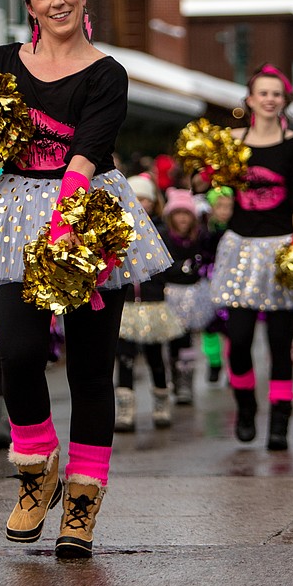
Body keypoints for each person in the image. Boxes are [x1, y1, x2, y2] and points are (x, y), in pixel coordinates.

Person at [0, 0, 170, 559]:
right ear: (30, 5)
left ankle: (83, 503)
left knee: (92, 371)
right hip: (16, 217)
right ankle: (38, 470)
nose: (56, 0)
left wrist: (66, 225)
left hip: (87, 212)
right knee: (18, 354)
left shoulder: (106, 73)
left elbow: (87, 153)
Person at [202, 63, 293, 453]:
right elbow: (212, 186)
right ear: (250, 99)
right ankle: (246, 407)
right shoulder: (231, 140)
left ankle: (280, 420)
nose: (270, 99)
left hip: (281, 246)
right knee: (240, 338)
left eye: (276, 94)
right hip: (241, 247)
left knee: (281, 343)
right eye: (263, 93)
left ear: (284, 101)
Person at [114, 175, 183, 432]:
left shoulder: (161, 232)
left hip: (154, 304)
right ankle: (125, 409)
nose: (141, 203)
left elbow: (170, 264)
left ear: (154, 203)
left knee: (156, 357)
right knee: (125, 357)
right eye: (136, 198)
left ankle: (161, 402)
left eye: (146, 199)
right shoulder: (115, 227)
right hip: (127, 306)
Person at [159, 187, 215, 406]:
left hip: (194, 294)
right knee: (173, 339)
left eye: (186, 214)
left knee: (187, 339)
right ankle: (175, 373)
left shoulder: (200, 237)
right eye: (177, 214)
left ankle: (185, 382)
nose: (182, 218)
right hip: (169, 294)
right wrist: (182, 268)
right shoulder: (164, 236)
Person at [199, 187, 233, 383]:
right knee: (210, 326)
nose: (224, 211)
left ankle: (232, 369)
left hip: (231, 283)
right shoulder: (205, 230)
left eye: (228, 207)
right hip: (210, 281)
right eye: (219, 206)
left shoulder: (235, 231)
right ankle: (214, 361)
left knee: (232, 328)